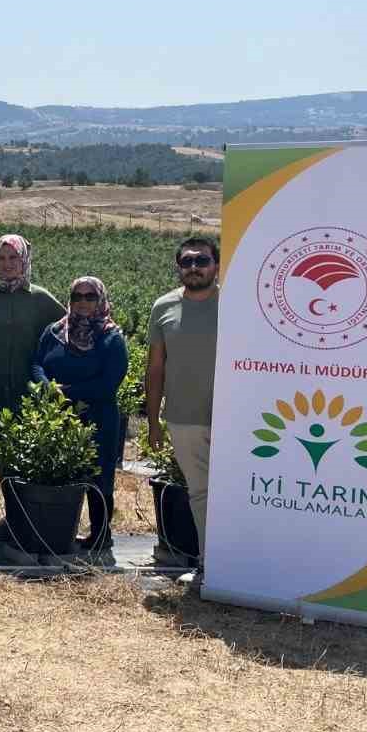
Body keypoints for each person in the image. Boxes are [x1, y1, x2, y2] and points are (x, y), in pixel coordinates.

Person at [30, 276, 128, 552]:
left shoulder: (111, 337)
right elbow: (37, 363)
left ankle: (100, 535)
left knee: (99, 477)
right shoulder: (54, 332)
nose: (83, 302)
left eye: (90, 297)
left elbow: (108, 383)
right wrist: (48, 387)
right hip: (58, 416)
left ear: (101, 300)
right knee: (62, 476)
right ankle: (61, 533)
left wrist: (67, 393)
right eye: (77, 297)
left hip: (98, 418)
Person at [146, 236, 220, 560]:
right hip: (183, 417)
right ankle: (208, 565)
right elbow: (155, 368)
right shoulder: (163, 307)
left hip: (231, 418)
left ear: (216, 265)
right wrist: (153, 422)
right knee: (200, 493)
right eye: (187, 261)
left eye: (202, 261)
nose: (194, 267)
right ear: (178, 267)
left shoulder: (237, 303)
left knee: (234, 493)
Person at [0, 233, 66, 431]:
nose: (7, 264)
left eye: (13, 257)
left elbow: (68, 331)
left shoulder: (40, 298)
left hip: (29, 389)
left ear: (24, 259)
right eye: (1, 258)